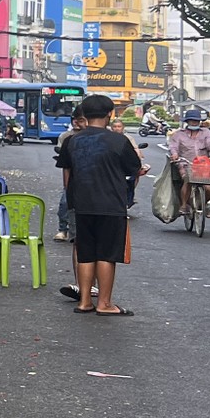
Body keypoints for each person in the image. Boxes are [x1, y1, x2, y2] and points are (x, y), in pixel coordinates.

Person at [55, 94, 145, 316]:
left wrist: (70, 198)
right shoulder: (119, 141)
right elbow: (133, 168)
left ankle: (84, 301)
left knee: (85, 252)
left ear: (84, 115)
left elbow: (67, 171)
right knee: (106, 254)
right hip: (110, 203)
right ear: (109, 114)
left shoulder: (71, 141)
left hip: (81, 203)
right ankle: (104, 303)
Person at [166, 109, 210, 214]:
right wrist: (175, 155)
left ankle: (204, 205)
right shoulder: (178, 134)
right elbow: (173, 147)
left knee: (209, 188)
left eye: (196, 121)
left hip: (202, 164)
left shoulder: (206, 132)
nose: (194, 122)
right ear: (187, 121)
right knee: (188, 180)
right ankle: (184, 205)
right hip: (186, 163)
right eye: (192, 120)